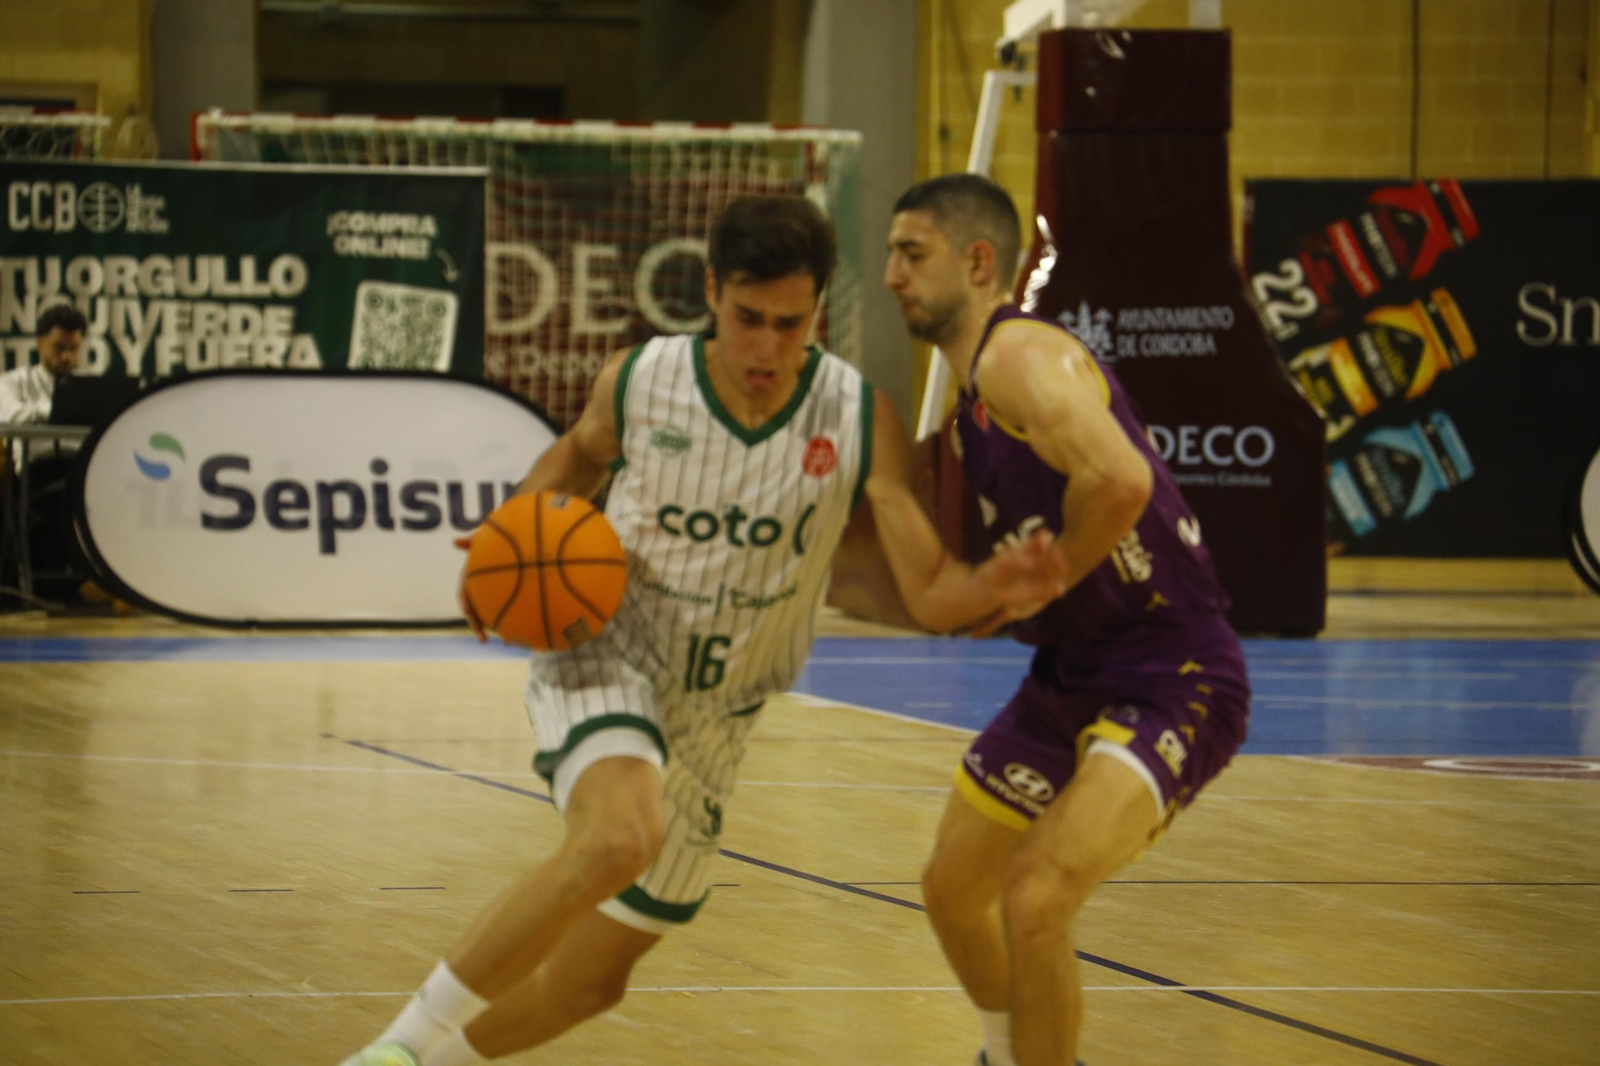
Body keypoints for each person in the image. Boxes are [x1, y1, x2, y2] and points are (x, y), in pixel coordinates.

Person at [341, 194, 1068, 1066]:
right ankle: (396, 1050)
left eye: (790, 324)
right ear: (714, 292)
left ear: (818, 311)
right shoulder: (643, 380)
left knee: (590, 984)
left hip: (720, 718)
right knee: (618, 838)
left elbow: (926, 591)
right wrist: (509, 531)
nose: (766, 348)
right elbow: (578, 455)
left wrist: (993, 586)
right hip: (610, 653)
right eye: (747, 319)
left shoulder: (854, 415)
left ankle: (431, 1063)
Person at [881, 174, 1251, 1066]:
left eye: (912, 253)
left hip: (1172, 672)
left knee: (1038, 895)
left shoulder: (1018, 355)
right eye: (891, 254)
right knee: (953, 889)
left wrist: (1048, 581)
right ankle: (1007, 1053)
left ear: (979, 263)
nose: (892, 274)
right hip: (1072, 674)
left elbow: (1120, 482)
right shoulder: (972, 408)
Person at [0, 303, 88, 603]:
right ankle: (63, 590)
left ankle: (104, 584)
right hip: (37, 474)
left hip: (83, 468)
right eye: (59, 348)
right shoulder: (14, 382)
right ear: (39, 343)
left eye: (73, 349)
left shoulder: (88, 387)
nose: (67, 357)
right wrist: (54, 410)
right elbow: (8, 415)